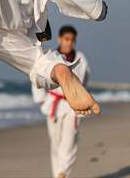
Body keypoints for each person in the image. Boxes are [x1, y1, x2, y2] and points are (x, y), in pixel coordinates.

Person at [32, 25, 89, 178]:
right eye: (66, 39)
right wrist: (42, 100)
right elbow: (37, 76)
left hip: (72, 106)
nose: (69, 43)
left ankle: (63, 173)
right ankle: (57, 174)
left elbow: (84, 81)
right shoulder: (50, 56)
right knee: (56, 144)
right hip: (53, 105)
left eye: (72, 40)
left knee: (69, 143)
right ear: (59, 39)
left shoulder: (81, 59)